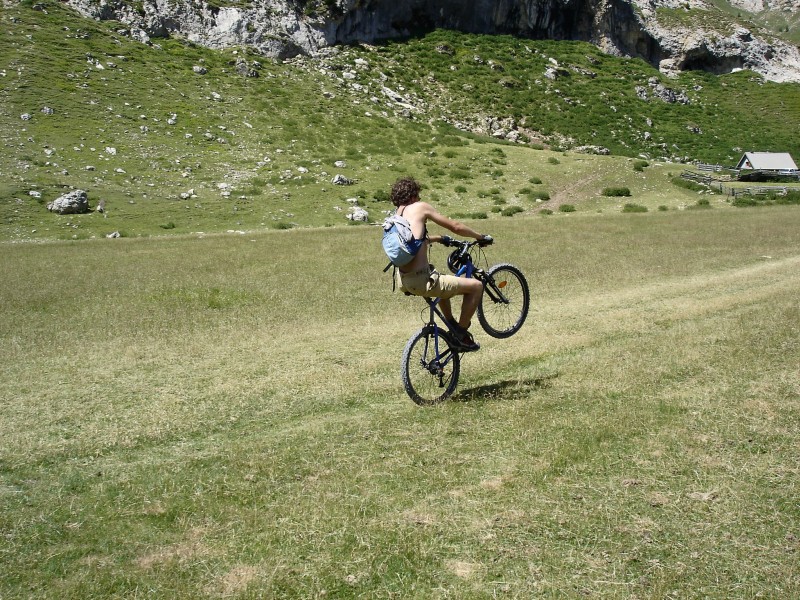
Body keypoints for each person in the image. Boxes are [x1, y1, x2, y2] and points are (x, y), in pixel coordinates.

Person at [390, 176, 491, 352]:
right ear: (413, 195)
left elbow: (414, 242)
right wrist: (480, 237)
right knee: (476, 286)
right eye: (418, 195)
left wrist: (441, 239)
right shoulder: (420, 207)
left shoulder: (397, 215)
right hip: (422, 281)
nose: (420, 199)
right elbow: (456, 226)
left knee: (442, 281)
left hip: (404, 281)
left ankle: (450, 323)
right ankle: (460, 334)